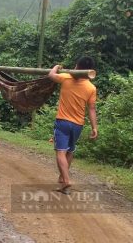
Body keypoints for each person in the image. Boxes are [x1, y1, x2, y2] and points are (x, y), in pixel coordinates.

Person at [48, 56, 98, 193]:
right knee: (70, 151)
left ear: (76, 66)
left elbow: (51, 75)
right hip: (78, 125)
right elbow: (92, 109)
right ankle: (63, 180)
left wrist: (56, 67)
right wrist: (94, 127)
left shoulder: (65, 77)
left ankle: (66, 180)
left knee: (60, 152)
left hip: (62, 122)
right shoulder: (91, 87)